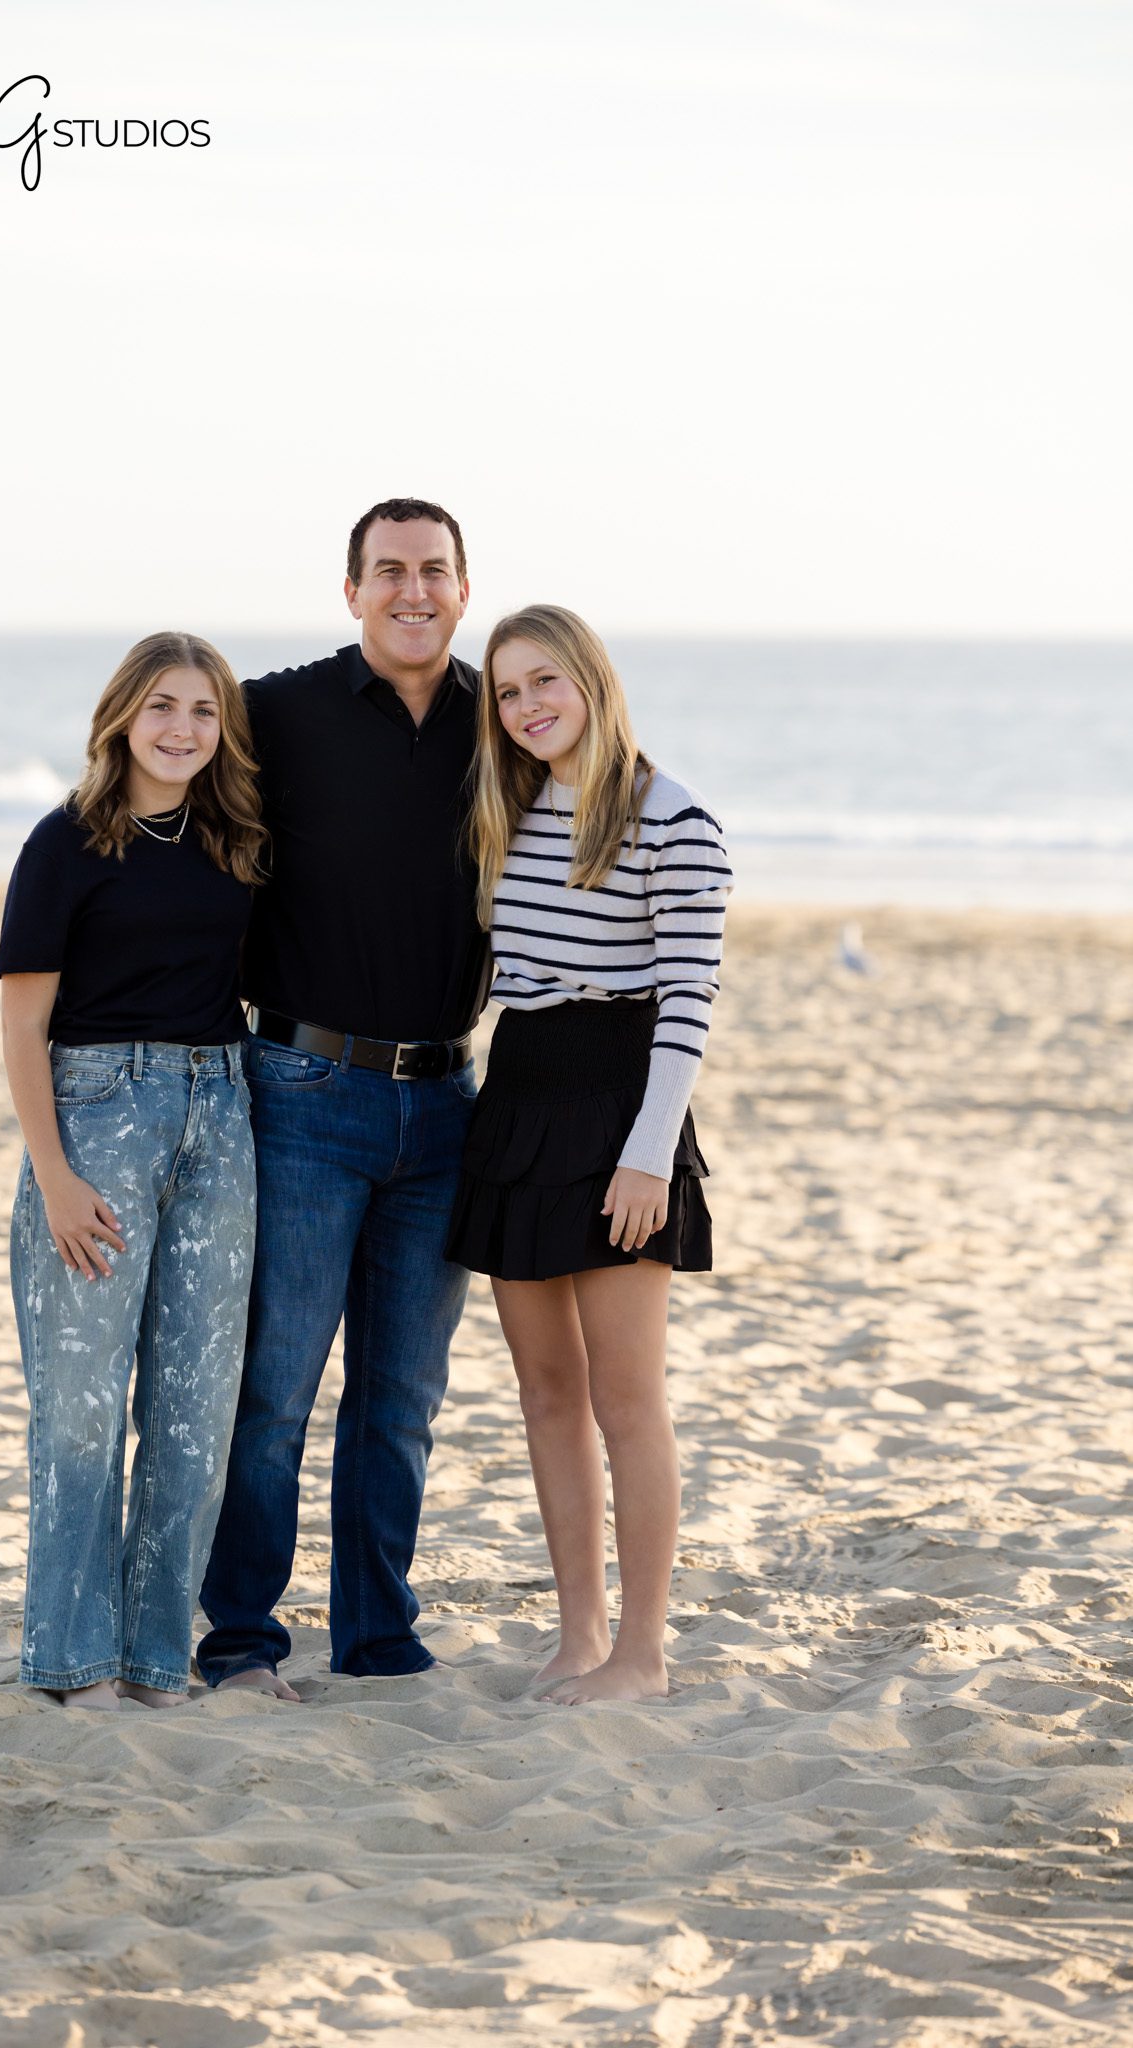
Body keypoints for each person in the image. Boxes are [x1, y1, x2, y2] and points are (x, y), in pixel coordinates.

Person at [196, 498, 487, 1696]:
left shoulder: (503, 721)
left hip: (449, 1101)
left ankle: (377, 1637)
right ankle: (241, 1637)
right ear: (353, 589)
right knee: (273, 1389)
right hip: (303, 1091)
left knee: (402, 1398)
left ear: (463, 588)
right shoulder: (275, 712)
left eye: (434, 570)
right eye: (389, 570)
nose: (413, 589)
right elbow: (165, 792)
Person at [445, 605, 732, 1704]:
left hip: (621, 1107)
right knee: (546, 1394)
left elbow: (688, 1002)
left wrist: (647, 1156)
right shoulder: (508, 811)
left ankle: (642, 1654)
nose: (527, 706)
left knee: (627, 1398)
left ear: (592, 681)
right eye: (507, 691)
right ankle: (578, 1638)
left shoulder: (675, 818)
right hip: (519, 1101)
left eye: (544, 681)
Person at [0, 632, 265, 1709]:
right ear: (120, 716)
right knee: (82, 1411)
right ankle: (75, 1661)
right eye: (161, 705)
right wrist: (54, 1175)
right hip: (97, 1115)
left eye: (203, 710)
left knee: (195, 1412)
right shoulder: (64, 841)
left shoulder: (238, 841)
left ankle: (155, 1660)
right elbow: (23, 1026)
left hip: (221, 1115)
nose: (181, 729)